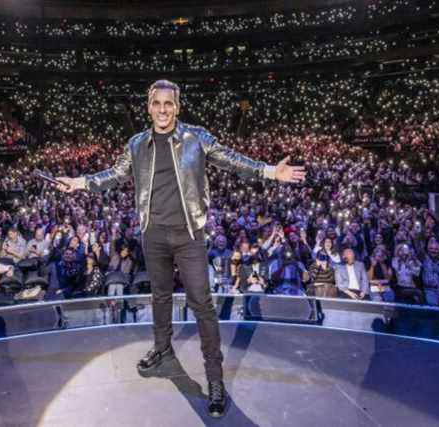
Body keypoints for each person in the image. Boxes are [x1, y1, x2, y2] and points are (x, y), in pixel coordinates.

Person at [54, 79, 306, 417]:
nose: (162, 109)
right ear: (148, 106)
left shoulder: (196, 137)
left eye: (168, 103)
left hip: (189, 235)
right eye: (156, 103)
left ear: (177, 106)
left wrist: (269, 171)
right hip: (153, 233)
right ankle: (162, 351)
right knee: (159, 296)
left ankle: (214, 381)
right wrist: (79, 182)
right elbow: (113, 176)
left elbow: (231, 160)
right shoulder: (137, 144)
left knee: (202, 305)